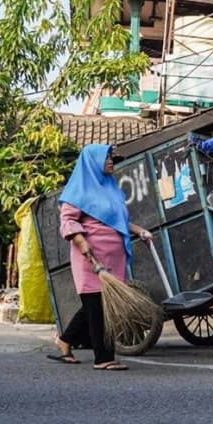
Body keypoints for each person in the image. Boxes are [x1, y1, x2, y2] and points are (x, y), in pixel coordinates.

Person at [47, 144, 152, 370]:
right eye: (107, 158)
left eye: (111, 158)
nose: (111, 162)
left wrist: (139, 231)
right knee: (98, 309)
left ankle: (64, 340)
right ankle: (104, 358)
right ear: (93, 162)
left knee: (93, 307)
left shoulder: (111, 189)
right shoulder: (79, 190)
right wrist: (83, 243)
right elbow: (68, 221)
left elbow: (117, 221)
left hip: (113, 260)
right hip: (90, 258)